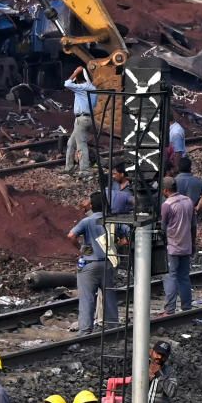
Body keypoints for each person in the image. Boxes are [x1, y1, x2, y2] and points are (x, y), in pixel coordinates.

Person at [69, 193, 118, 333]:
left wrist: (81, 249)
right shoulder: (111, 220)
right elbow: (125, 235)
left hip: (89, 264)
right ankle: (113, 327)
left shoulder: (87, 221)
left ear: (91, 206)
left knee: (87, 298)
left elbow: (71, 235)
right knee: (109, 296)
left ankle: (85, 330)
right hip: (108, 263)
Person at [161, 177, 196, 314]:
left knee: (170, 276)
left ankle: (169, 309)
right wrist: (193, 243)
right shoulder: (188, 201)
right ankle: (186, 306)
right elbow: (193, 225)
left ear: (165, 190)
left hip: (172, 246)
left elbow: (163, 227)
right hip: (186, 245)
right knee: (184, 277)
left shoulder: (167, 205)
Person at [62, 67, 95, 177]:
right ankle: (69, 167)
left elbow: (67, 84)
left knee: (81, 144)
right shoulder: (92, 88)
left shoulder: (82, 87)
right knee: (71, 143)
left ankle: (85, 170)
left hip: (82, 119)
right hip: (86, 118)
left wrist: (75, 72)